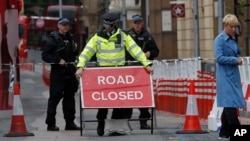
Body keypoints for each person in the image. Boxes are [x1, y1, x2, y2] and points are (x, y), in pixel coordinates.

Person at [75, 12, 153, 136]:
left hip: (119, 74)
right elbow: (86, 52)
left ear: (115, 23)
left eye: (110, 25)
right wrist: (80, 66)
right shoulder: (97, 37)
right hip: (103, 74)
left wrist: (146, 64)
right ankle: (101, 121)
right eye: (106, 24)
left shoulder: (123, 36)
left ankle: (114, 127)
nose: (108, 27)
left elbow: (135, 50)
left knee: (118, 102)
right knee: (103, 102)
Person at [42, 17, 80, 131]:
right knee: (55, 97)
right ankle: (50, 123)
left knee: (70, 98)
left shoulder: (71, 37)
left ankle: (70, 122)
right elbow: (45, 55)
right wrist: (58, 60)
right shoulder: (53, 39)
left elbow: (74, 53)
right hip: (58, 72)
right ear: (58, 25)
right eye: (63, 25)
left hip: (70, 71)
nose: (65, 27)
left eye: (67, 25)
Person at [124, 14, 159, 129]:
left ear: (142, 23)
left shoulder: (147, 36)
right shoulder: (128, 35)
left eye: (139, 22)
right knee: (128, 96)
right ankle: (125, 121)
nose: (137, 25)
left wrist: (150, 54)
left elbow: (156, 51)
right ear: (132, 23)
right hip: (130, 70)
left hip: (143, 71)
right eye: (135, 23)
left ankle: (143, 121)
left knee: (143, 97)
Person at [214, 14, 245, 138]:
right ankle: (238, 133)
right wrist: (234, 60)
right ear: (226, 26)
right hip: (225, 76)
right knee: (230, 105)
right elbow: (219, 58)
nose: (233, 29)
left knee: (230, 104)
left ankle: (224, 131)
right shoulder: (219, 40)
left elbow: (238, 52)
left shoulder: (233, 39)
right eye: (231, 27)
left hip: (233, 76)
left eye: (235, 27)